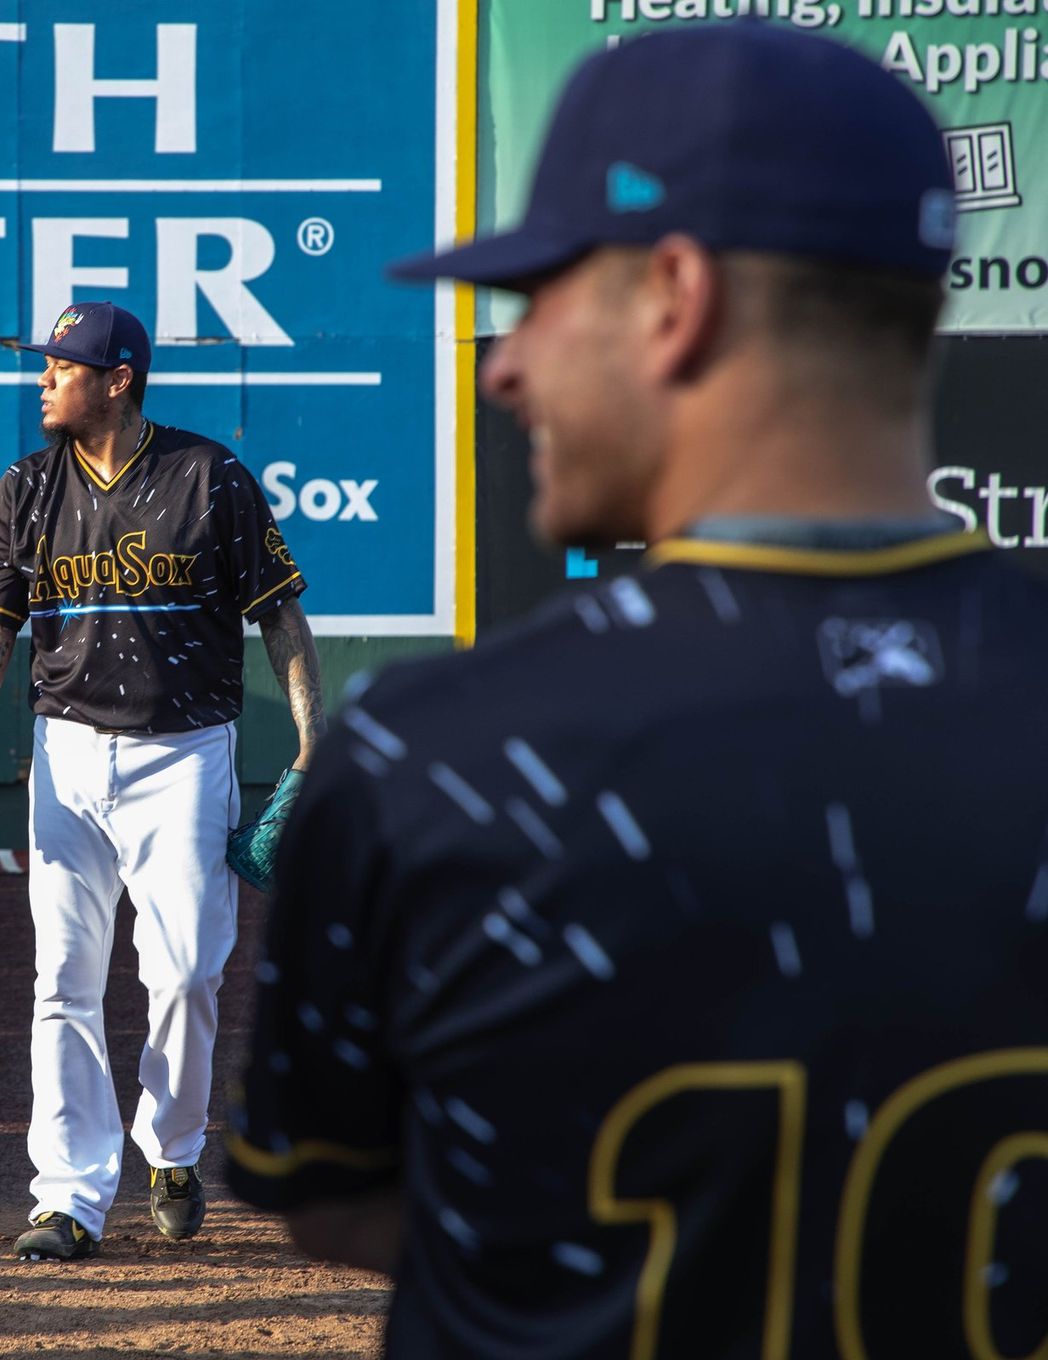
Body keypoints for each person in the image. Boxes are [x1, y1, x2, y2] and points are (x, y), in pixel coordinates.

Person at [227, 21, 1048, 1357]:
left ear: (676, 297)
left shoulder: (438, 757)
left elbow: (332, 1197)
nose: (505, 362)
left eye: (541, 293)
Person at [0, 301, 325, 1260]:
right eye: (46, 364)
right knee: (63, 979)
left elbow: (281, 616)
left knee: (185, 974)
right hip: (65, 756)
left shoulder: (208, 476)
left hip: (184, 754)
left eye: (61, 365)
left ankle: (172, 1149)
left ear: (118, 379)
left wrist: (310, 741)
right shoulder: (26, 486)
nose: (44, 379)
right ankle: (69, 1196)